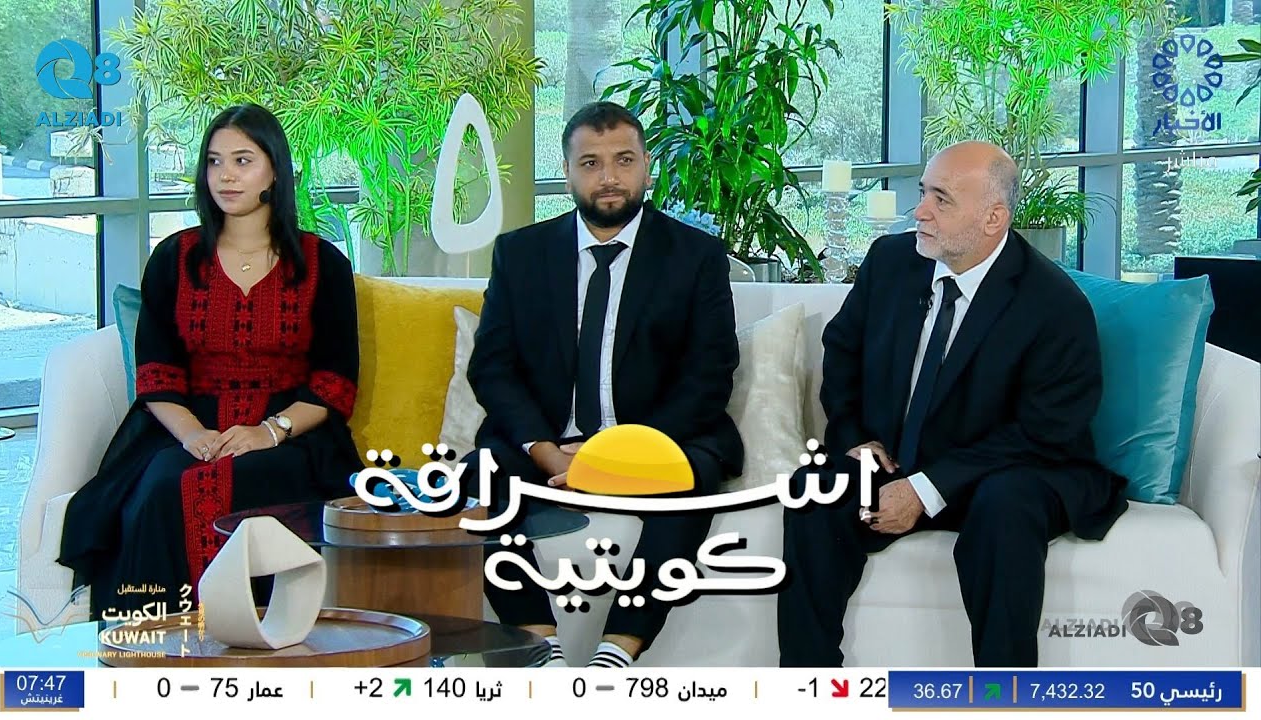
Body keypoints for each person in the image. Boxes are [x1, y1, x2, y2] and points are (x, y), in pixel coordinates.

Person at [778, 141, 1128, 668]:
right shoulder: (891, 261)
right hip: (897, 458)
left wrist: (925, 489)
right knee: (815, 492)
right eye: (923, 193)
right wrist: (855, 439)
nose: (919, 211)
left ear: (993, 218)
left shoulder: (1053, 304)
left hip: (1010, 468)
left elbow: (1045, 430)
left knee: (1005, 508)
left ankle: (1004, 695)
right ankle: (808, 688)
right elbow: (843, 350)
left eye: (940, 199)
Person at [459, 101, 742, 668]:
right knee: (480, 481)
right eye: (590, 163)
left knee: (693, 477)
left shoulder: (695, 255)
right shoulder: (521, 253)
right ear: (567, 172)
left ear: (647, 167)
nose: (609, 177)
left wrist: (619, 459)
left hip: (657, 439)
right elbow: (492, 366)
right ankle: (542, 651)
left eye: (624, 160)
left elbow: (709, 373)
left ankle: (617, 652)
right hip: (548, 441)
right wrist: (543, 449)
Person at [58, 104, 363, 620]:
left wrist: (268, 432)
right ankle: (158, 640)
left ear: (275, 170)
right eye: (215, 161)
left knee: (253, 478)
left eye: (243, 160)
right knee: (164, 485)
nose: (225, 175)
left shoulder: (322, 263)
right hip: (187, 424)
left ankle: (256, 634)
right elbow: (156, 375)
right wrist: (193, 436)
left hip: (291, 434)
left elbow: (335, 384)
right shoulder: (173, 258)